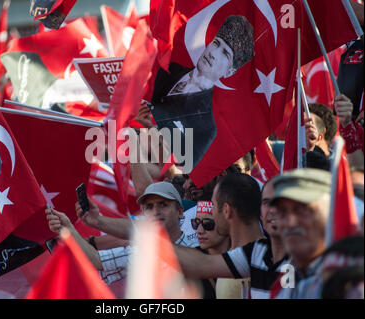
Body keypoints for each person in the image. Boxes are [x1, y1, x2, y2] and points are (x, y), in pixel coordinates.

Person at [47, 182, 201, 298]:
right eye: (149, 207)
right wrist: (67, 229)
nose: (156, 212)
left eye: (163, 205)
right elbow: (96, 260)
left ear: (180, 212)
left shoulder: (200, 250)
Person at [150, 15, 255, 170]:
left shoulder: (211, 122)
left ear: (230, 71)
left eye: (225, 53)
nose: (213, 53)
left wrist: (151, 126)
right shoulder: (168, 70)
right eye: (216, 43)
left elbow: (187, 164)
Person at [172, 173, 287, 299]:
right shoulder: (252, 254)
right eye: (266, 203)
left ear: (226, 210)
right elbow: (202, 264)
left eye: (214, 206)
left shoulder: (291, 261)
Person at [269, 168, 334, 298]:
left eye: (302, 210)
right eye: (282, 212)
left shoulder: (348, 282)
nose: (290, 222)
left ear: (332, 211)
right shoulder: (287, 278)